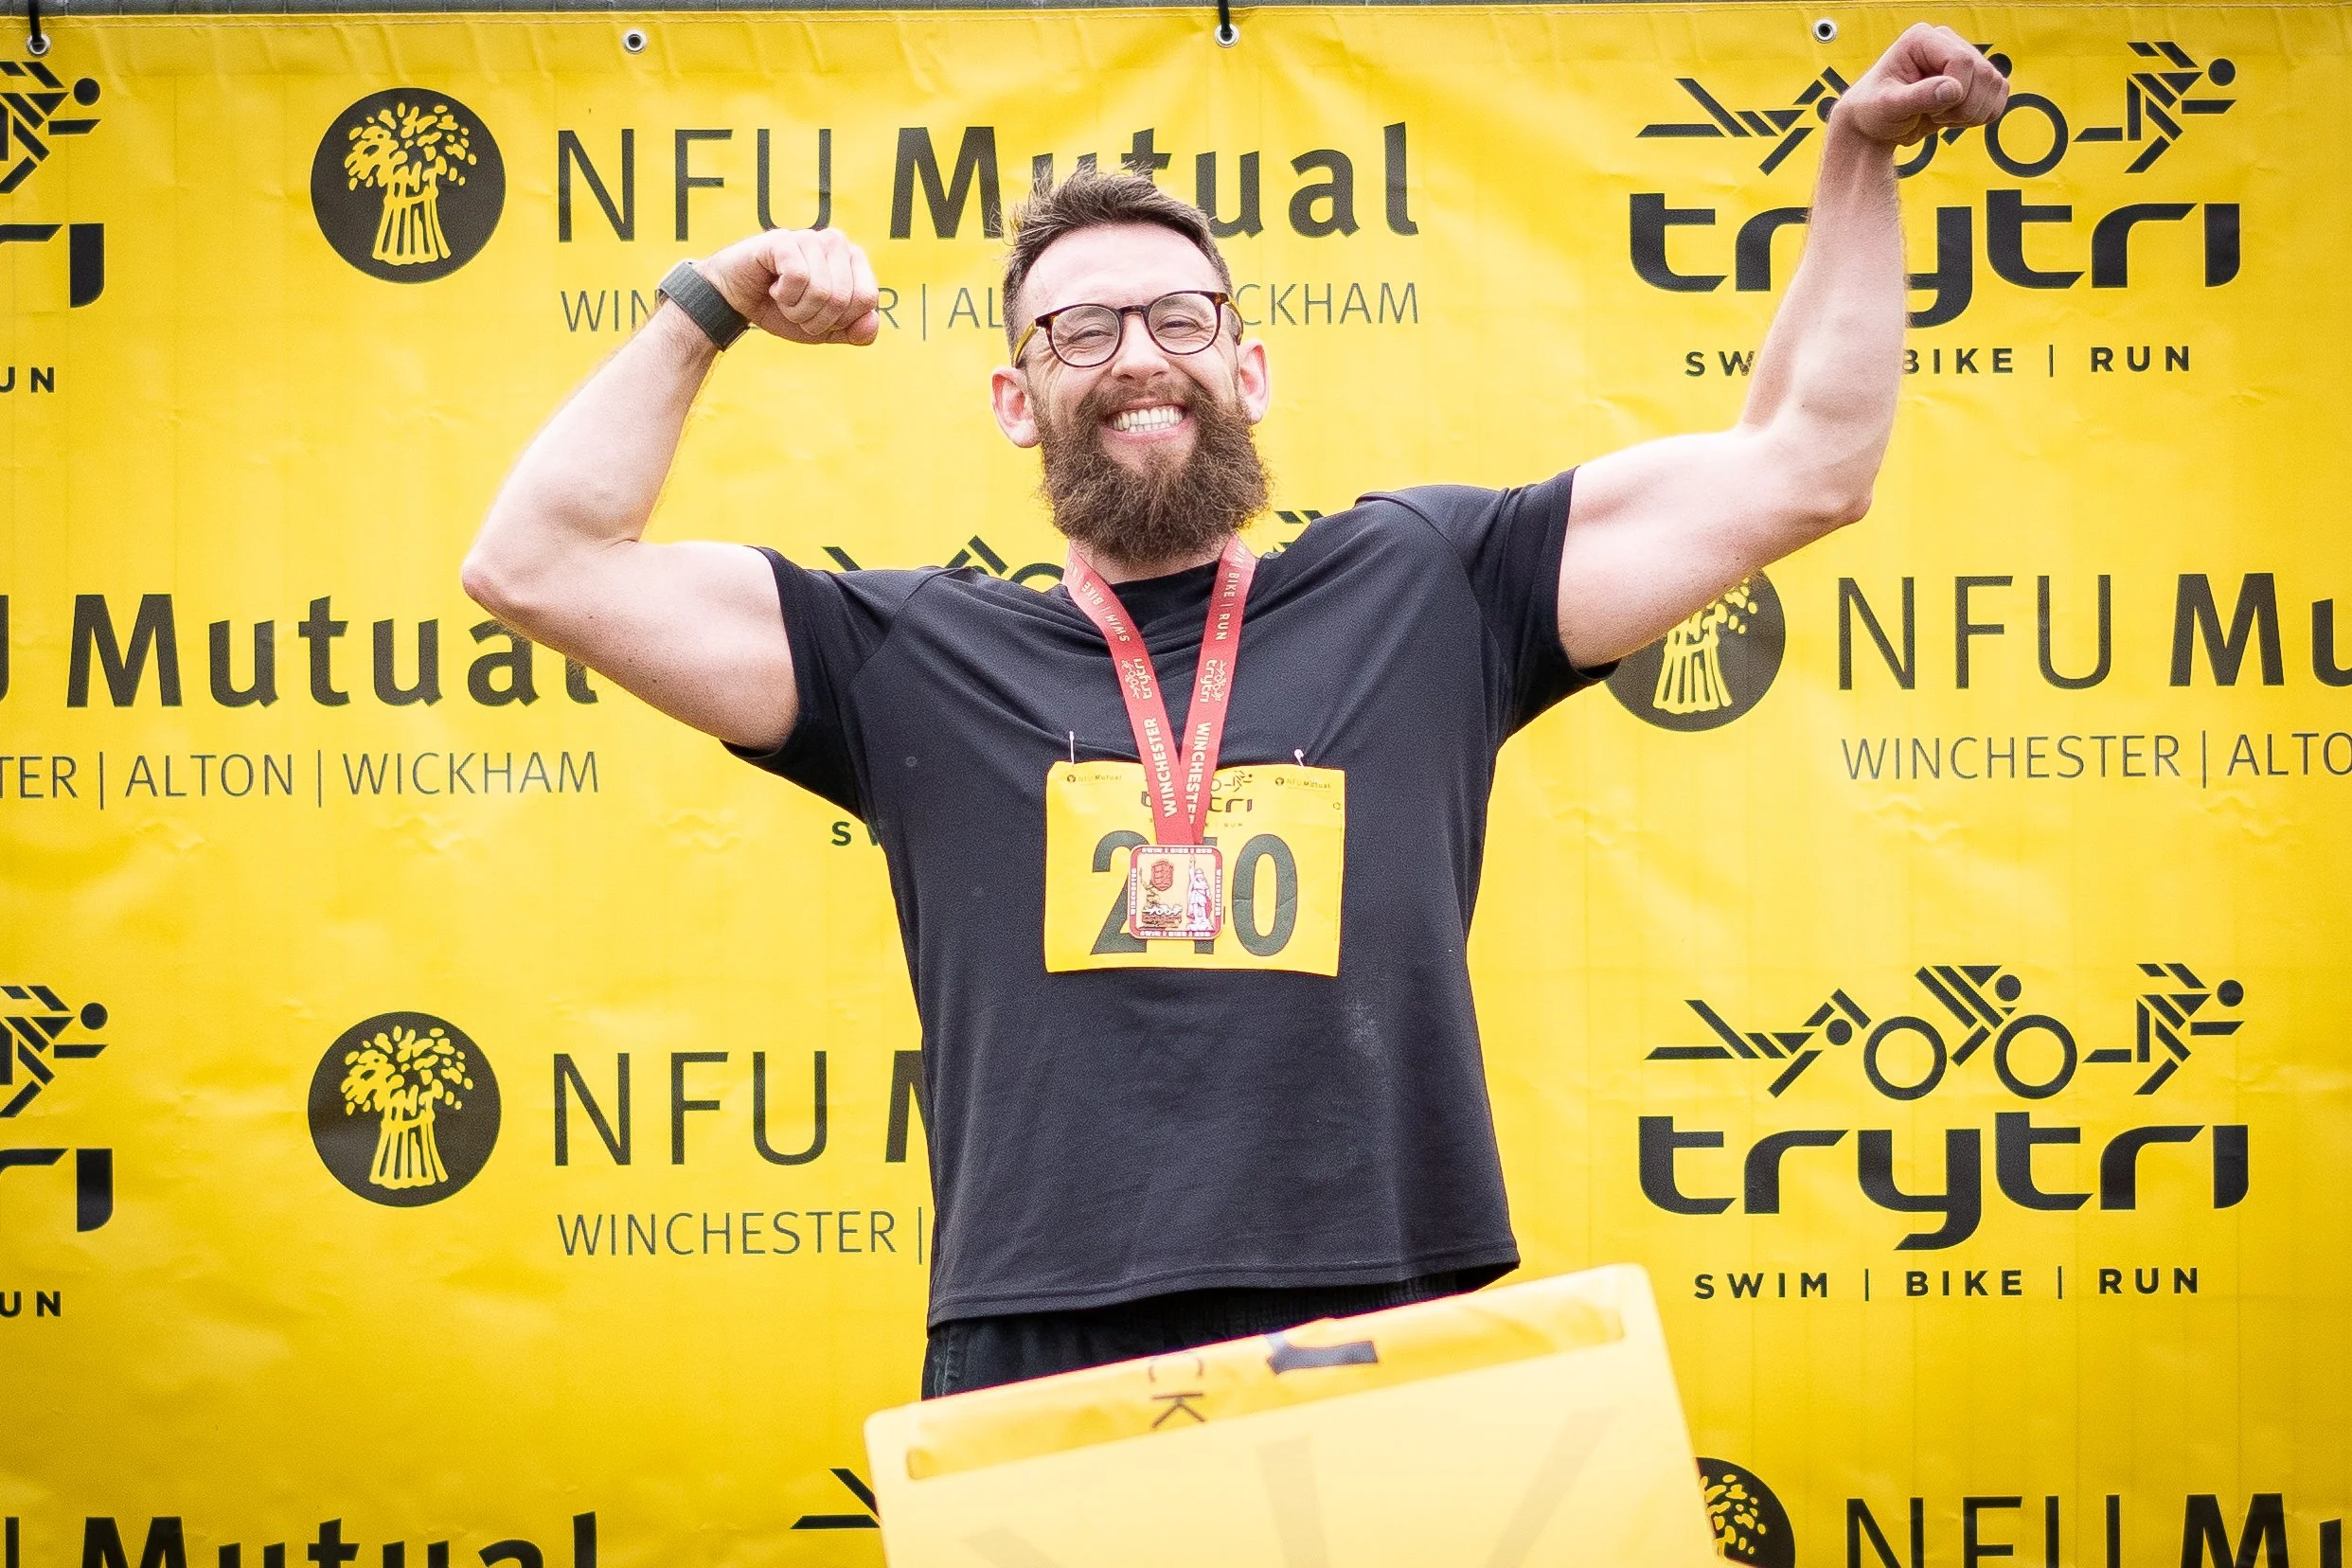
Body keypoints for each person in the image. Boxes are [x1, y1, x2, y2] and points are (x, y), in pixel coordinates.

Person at [463, 24, 2005, 1398]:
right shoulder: (909, 655)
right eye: (1078, 333)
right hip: (1034, 1339)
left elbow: (1810, 461)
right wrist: (711, 301)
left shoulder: (1427, 586)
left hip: (1392, 1316)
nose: (1138, 358)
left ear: (1248, 367)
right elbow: (538, 561)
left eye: (1181, 320)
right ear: (1017, 399)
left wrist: (1855, 157)